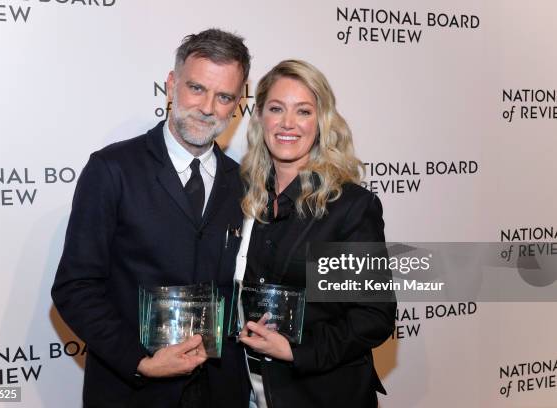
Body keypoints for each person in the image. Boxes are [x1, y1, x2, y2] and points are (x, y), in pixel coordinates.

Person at [51, 29, 251, 408]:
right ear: (171, 85)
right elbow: (75, 287)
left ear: (237, 104)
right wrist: (141, 362)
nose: (207, 107)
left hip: (220, 392)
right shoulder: (112, 169)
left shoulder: (243, 184)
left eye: (223, 97)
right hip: (134, 392)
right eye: (196, 88)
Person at [236, 60, 396, 408]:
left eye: (303, 111)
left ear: (321, 122)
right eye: (276, 109)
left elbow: (373, 316)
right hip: (246, 389)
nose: (288, 123)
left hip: (319, 394)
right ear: (260, 115)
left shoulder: (348, 208)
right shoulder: (244, 196)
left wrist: (297, 350)